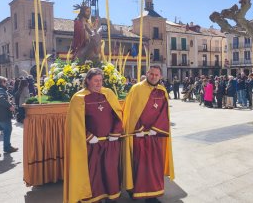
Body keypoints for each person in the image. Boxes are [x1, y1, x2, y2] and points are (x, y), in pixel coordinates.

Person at [64, 68, 123, 203]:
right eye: (96, 80)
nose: (99, 83)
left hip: (109, 143)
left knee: (110, 173)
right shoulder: (79, 98)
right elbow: (75, 124)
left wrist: (115, 132)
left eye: (101, 80)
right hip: (91, 146)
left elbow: (118, 114)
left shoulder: (108, 94)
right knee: (94, 176)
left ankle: (110, 198)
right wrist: (89, 136)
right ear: (88, 81)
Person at [122, 65, 174, 203]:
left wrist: (155, 129)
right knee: (138, 165)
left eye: (157, 75)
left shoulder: (162, 91)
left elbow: (164, 113)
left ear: (160, 76)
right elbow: (131, 111)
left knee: (154, 166)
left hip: (154, 136)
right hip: (138, 136)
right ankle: (134, 191)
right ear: (147, 73)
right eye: (151, 74)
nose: (153, 77)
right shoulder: (136, 89)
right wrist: (137, 129)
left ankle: (152, 196)